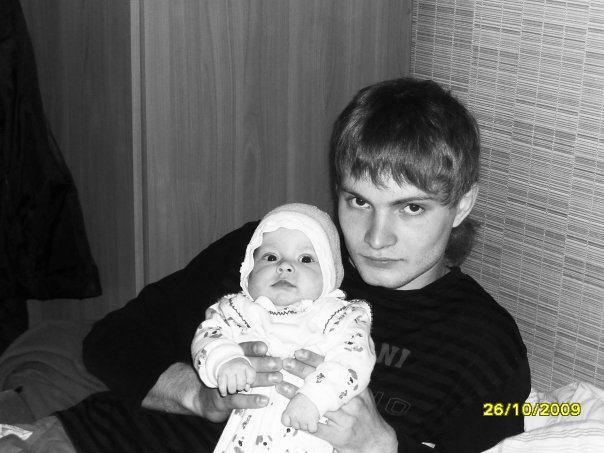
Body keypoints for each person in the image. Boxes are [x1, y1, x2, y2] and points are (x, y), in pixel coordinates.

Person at [54, 77, 530, 453]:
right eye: (358, 201)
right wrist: (200, 397)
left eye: (411, 208)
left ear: (462, 205)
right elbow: (111, 341)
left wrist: (382, 445)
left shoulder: (484, 347)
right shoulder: (274, 252)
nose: (375, 238)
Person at [192, 203, 374, 452]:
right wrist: (225, 360)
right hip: (246, 438)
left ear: (329, 275)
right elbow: (208, 335)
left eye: (306, 259)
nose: (285, 266)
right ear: (248, 271)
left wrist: (316, 397)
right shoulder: (238, 310)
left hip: (310, 433)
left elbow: (353, 360)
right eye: (270, 257)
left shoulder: (337, 317)